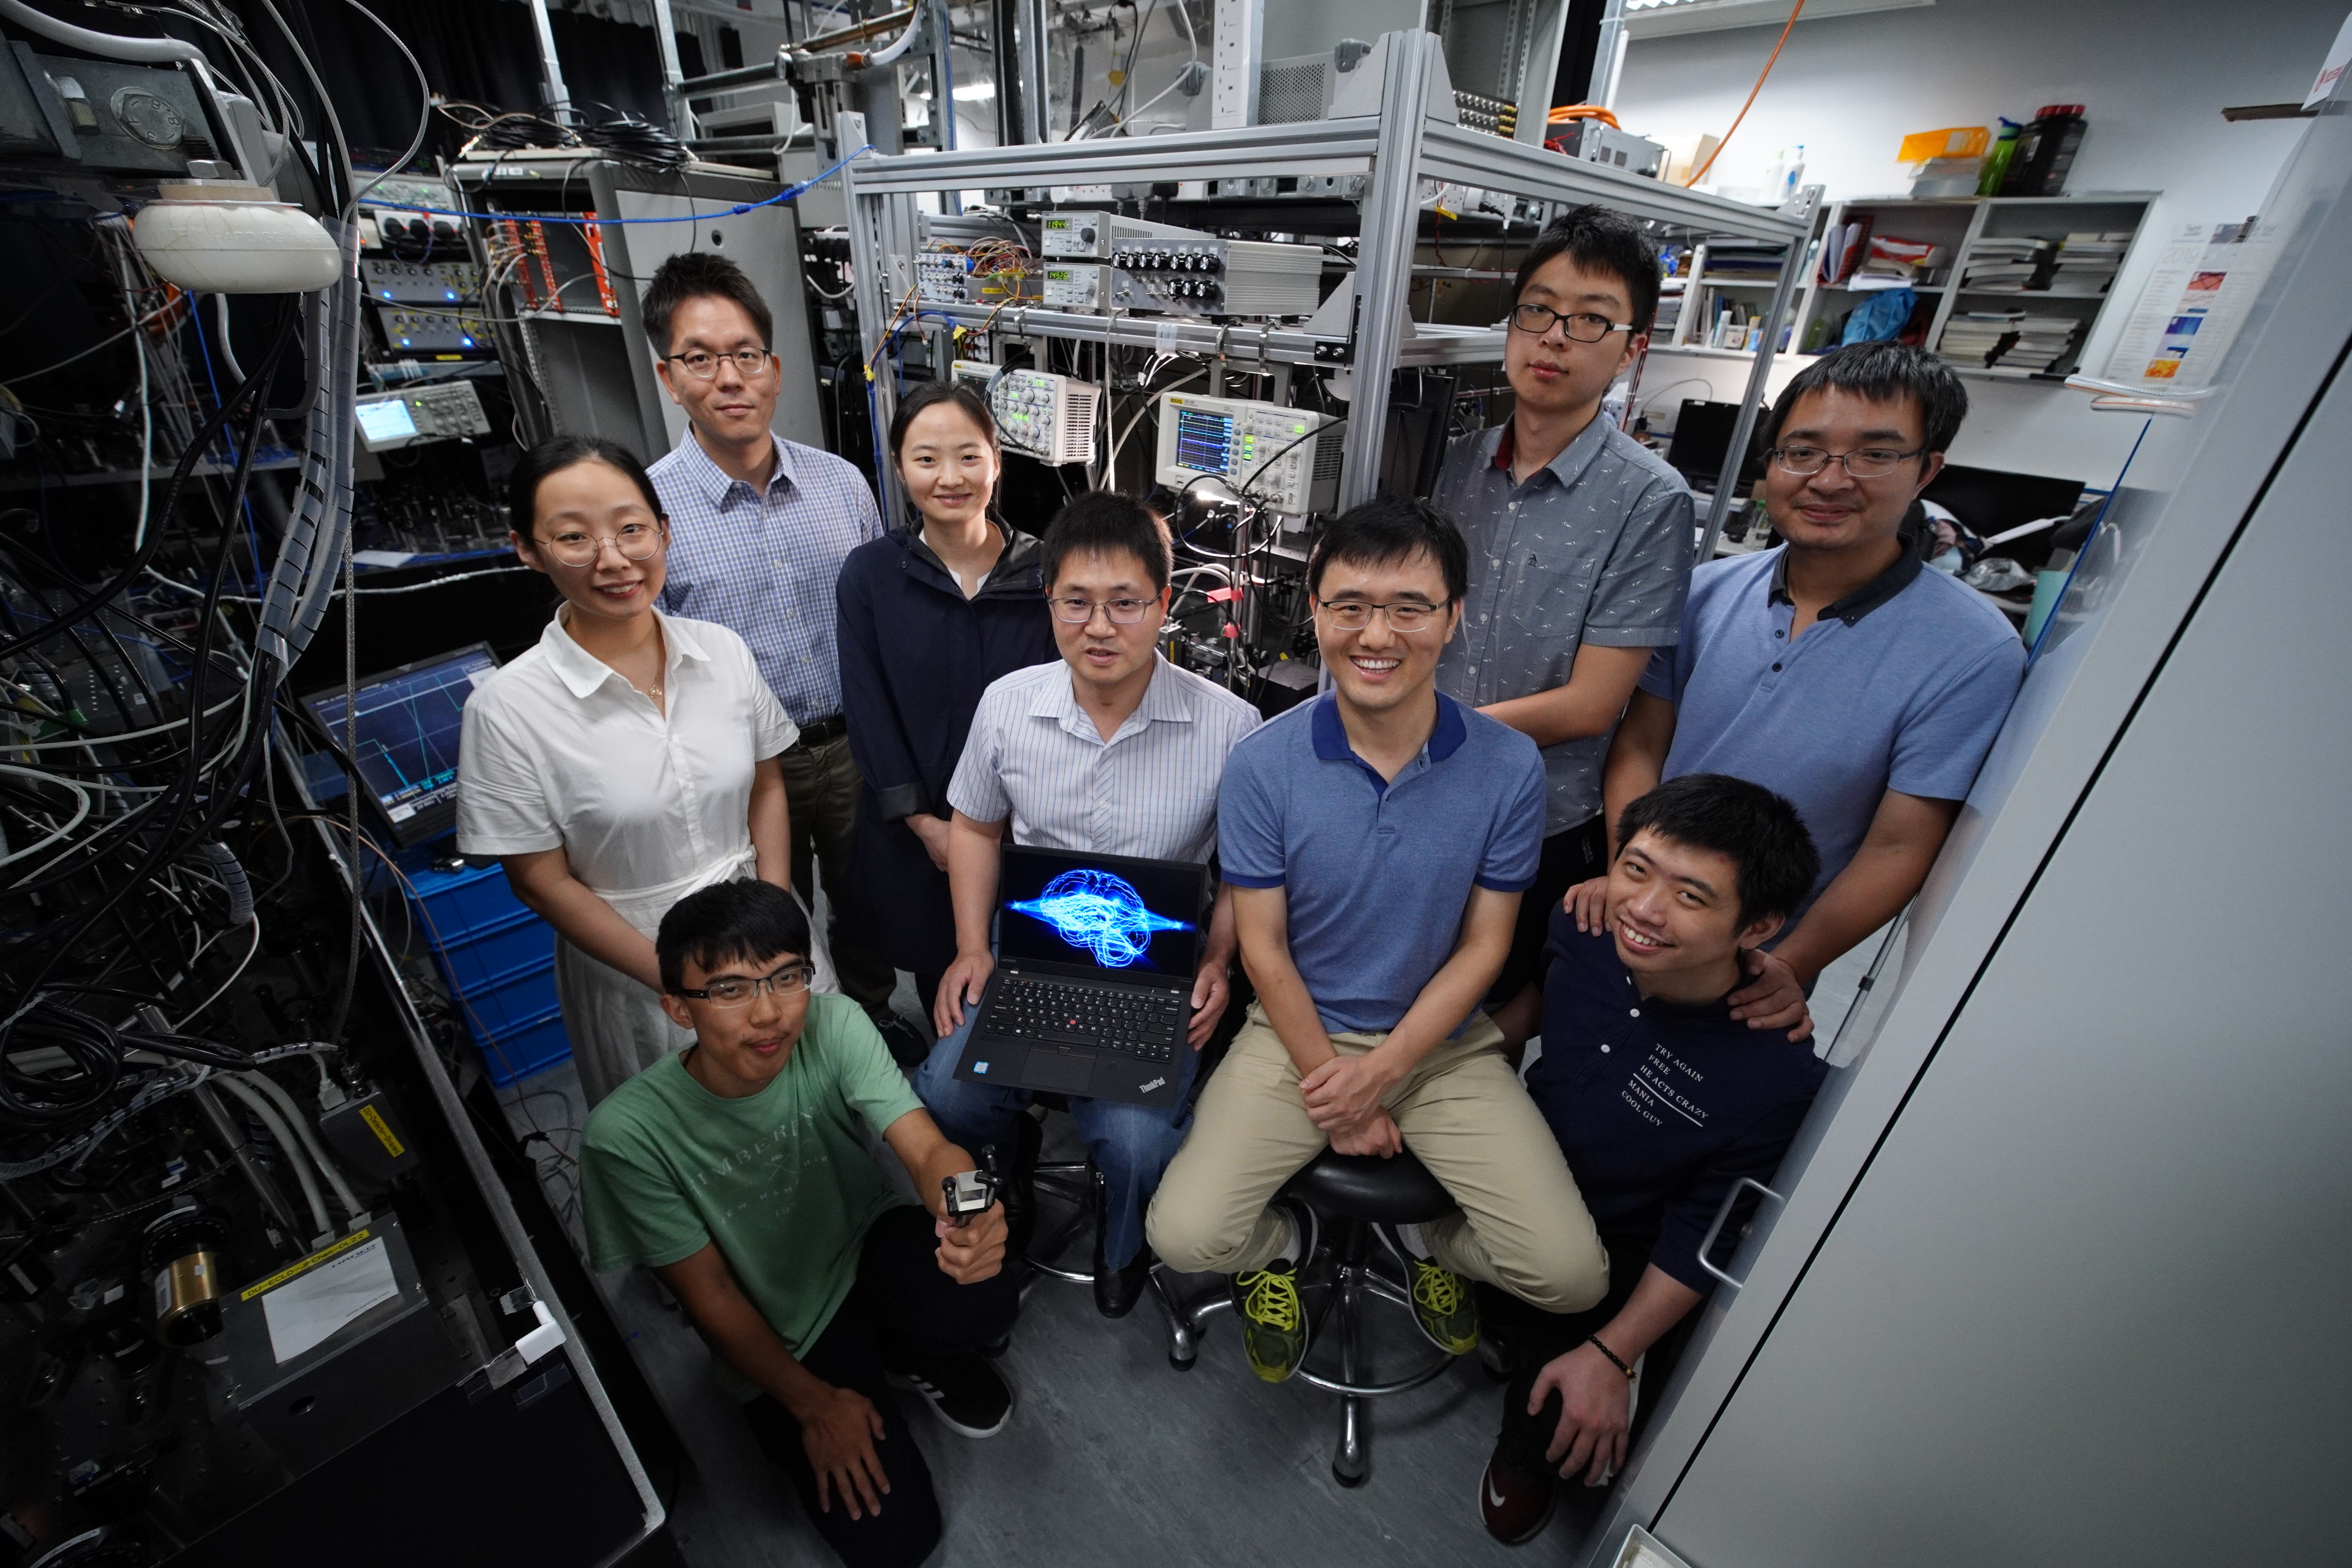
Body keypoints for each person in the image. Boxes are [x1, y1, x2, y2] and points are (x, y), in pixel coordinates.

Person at [1147, 499, 1608, 1385]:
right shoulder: (1261, 762)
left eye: (1409, 606)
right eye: (1350, 604)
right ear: (1314, 611)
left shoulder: (1507, 763)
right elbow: (1265, 950)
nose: (1377, 633)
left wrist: (1383, 1073)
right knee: (1185, 1233)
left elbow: (1485, 949)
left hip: (1440, 1044)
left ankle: (1433, 1238)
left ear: (1454, 616)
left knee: (1568, 1275)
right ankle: (1283, 1247)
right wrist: (1340, 1087)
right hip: (1293, 1035)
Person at [1572, 341, 2028, 1034]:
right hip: (1630, 924)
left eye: (1875, 455)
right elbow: (1641, 746)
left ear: (1927, 469)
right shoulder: (1703, 594)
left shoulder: (1973, 650)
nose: (1830, 480)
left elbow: (1899, 847)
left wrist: (1790, 961)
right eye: (1803, 452)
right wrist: (1630, 883)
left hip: (1755, 964)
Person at [582, 880, 1016, 1568]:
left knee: (987, 1290)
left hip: (866, 1246)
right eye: (729, 990)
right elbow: (711, 1299)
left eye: (786, 978)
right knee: (897, 1543)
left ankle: (906, 1351)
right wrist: (813, 1407)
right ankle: (847, 1379)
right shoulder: (626, 1136)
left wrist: (971, 1212)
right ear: (677, 1008)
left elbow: (928, 1147)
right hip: (783, 1326)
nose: (768, 1015)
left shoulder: (834, 1022)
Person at [915, 491, 1260, 1319]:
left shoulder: (1232, 727)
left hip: (1156, 966)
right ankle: (1010, 1164)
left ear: (1165, 601)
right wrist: (971, 945)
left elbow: (1248, 873)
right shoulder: (1009, 704)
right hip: (1035, 948)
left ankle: (1124, 1232)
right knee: (948, 1091)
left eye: (1125, 603)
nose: (1099, 627)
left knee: (1134, 1140)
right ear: (1050, 601)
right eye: (1077, 601)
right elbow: (974, 827)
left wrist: (1217, 962)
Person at [1477, 774, 1824, 1546]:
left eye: (1691, 896)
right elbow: (1541, 998)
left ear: (1758, 924)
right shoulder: (1585, 921)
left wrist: (1613, 1350)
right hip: (1518, 1160)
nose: (1645, 909)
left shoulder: (1775, 1074)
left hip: (1616, 1245)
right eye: (1636, 869)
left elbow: (1705, 1233)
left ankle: (1531, 1445)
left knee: (1573, 1407)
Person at [457, 437, 802, 1105]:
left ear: (664, 532)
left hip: (766, 938)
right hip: (641, 972)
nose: (613, 560)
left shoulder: (722, 652)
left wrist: (775, 913)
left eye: (631, 529)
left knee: (810, 1107)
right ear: (528, 550)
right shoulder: (506, 710)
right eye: (573, 538)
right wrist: (686, 984)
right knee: (692, 1150)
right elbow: (542, 883)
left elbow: (767, 781)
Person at [1435, 206, 1695, 1063]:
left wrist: (1421, 731)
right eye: (1537, 310)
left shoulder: (1650, 499)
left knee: (1473, 1030)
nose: (1554, 338)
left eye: (1590, 320)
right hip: (1415, 794)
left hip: (1528, 818)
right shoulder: (1459, 462)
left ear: (1632, 349)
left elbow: (1593, 704)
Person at [641, 252, 901, 1044]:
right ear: (668, 376)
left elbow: (880, 618)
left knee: (868, 902)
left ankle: (874, 1021)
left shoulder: (842, 485)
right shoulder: (649, 511)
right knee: (766, 916)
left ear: (775, 368)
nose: (729, 377)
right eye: (701, 358)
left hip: (853, 743)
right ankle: (796, 1040)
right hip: (747, 768)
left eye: (745, 354)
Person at [837, 381, 1056, 1043]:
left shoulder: (1047, 573)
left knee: (1039, 975)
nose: (950, 477)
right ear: (900, 470)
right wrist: (929, 826)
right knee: (949, 990)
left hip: (1033, 827)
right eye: (927, 459)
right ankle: (983, 1129)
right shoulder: (871, 575)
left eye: (968, 456)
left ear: (997, 461)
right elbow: (868, 710)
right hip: (920, 833)